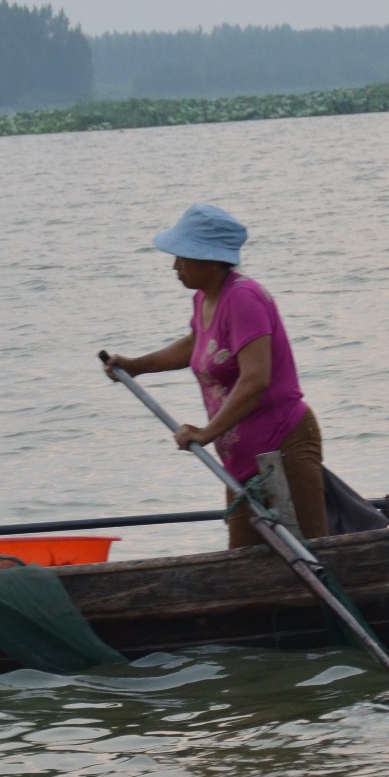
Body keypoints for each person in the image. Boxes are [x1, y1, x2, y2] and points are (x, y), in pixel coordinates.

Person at [104, 204, 326, 550]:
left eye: (184, 257)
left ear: (211, 260)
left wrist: (207, 431)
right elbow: (197, 344)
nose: (175, 266)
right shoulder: (205, 298)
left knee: (312, 551)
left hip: (283, 445)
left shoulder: (243, 299)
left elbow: (256, 379)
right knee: (244, 558)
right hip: (241, 457)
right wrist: (136, 365)